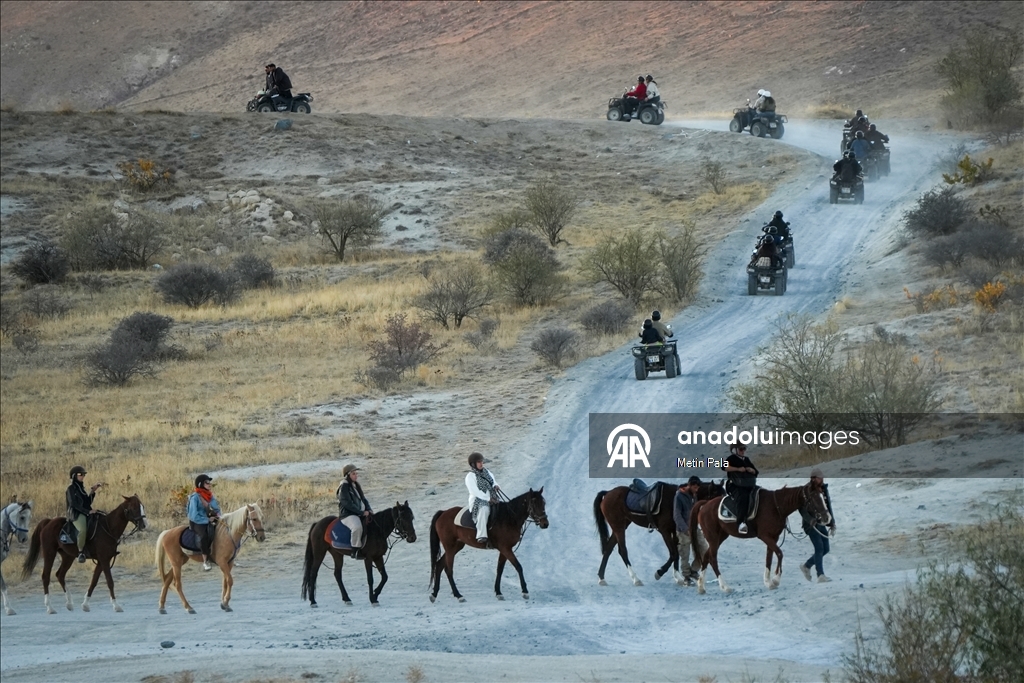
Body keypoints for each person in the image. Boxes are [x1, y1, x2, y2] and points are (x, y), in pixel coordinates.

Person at [800, 468, 837, 583]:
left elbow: (827, 506)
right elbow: (801, 508)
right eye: (819, 477)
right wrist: (810, 519)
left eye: (822, 477)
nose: (822, 479)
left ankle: (806, 566)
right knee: (819, 547)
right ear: (813, 478)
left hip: (822, 523)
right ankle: (820, 575)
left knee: (826, 548)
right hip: (811, 525)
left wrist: (832, 522)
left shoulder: (823, 489)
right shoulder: (806, 490)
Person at [673, 476, 709, 585]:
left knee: (704, 549)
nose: (696, 489)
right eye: (694, 487)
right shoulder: (679, 496)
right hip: (683, 530)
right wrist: (684, 528)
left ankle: (694, 570)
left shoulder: (694, 496)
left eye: (697, 487)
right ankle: (686, 576)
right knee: (685, 554)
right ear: (689, 485)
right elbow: (677, 514)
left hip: (695, 528)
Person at [66, 466, 101, 563]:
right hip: (75, 514)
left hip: (84, 512)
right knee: (83, 529)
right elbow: (73, 504)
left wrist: (92, 492)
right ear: (74, 476)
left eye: (83, 474)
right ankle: (80, 551)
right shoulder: (71, 489)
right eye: (80, 474)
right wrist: (88, 512)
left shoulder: (81, 488)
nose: (83, 476)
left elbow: (87, 503)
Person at [337, 464, 372, 559]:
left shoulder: (355, 485)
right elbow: (347, 503)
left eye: (356, 473)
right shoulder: (344, 486)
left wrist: (369, 509)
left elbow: (363, 499)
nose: (356, 476)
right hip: (348, 514)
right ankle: (355, 550)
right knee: (357, 527)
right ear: (348, 475)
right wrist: (361, 512)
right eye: (353, 474)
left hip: (358, 513)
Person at [721, 444, 758, 534]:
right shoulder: (731, 458)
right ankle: (740, 523)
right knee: (742, 497)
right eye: (741, 449)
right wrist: (737, 469)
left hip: (748, 484)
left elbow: (756, 472)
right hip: (734, 485)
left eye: (744, 449)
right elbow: (724, 467)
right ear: (735, 450)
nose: (743, 451)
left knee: (759, 494)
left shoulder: (746, 459)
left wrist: (751, 470)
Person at [187, 474, 221, 571]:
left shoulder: (210, 496)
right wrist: (207, 520)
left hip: (211, 519)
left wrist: (219, 516)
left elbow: (216, 509)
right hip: (198, 522)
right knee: (203, 536)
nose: (209, 484)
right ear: (201, 484)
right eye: (207, 482)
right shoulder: (195, 497)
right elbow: (193, 515)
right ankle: (205, 561)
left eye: (210, 482)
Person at [466, 452, 500, 546]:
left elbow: (493, 480)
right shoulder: (470, 476)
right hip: (478, 500)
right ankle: (481, 535)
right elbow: (475, 491)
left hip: (492, 497)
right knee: (484, 509)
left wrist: (496, 485)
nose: (481, 464)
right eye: (479, 462)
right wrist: (488, 499)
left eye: (482, 462)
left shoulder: (487, 472)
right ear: (473, 464)